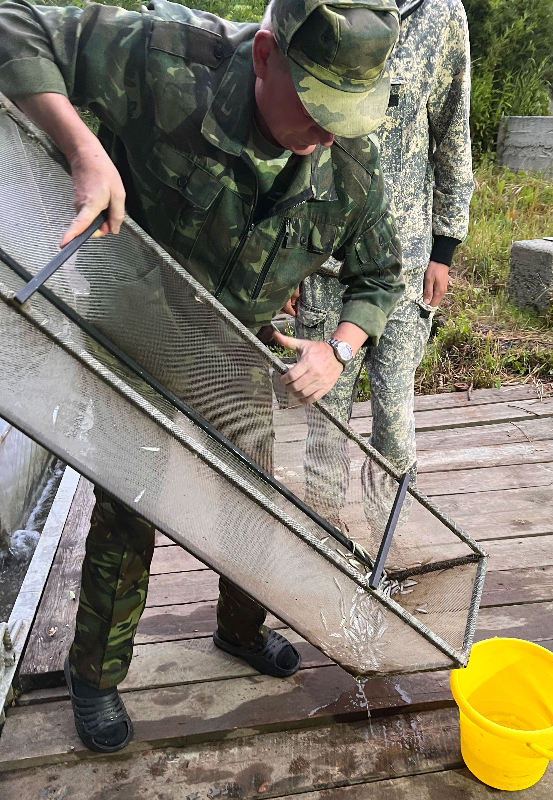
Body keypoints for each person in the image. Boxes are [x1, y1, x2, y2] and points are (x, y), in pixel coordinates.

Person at [0, 0, 405, 752]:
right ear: (264, 57)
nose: (327, 135)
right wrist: (83, 146)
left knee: (260, 499)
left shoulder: (349, 159)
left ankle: (238, 631)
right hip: (138, 327)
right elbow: (14, 23)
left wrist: (339, 348)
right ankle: (95, 676)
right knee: (131, 507)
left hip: (241, 348)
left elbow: (382, 276)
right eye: (316, 108)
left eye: (347, 117)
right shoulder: (165, 56)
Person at [293, 0, 473, 477]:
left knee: (395, 425)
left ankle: (388, 539)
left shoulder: (442, 14)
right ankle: (324, 541)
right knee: (324, 425)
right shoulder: (326, 7)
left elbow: (453, 134)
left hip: (405, 265)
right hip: (325, 261)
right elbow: (298, 126)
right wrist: (288, 258)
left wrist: (445, 248)